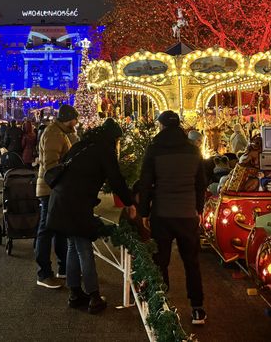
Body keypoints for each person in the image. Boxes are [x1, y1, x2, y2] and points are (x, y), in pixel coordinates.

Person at [48, 118, 135, 313]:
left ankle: (75, 293)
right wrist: (130, 202)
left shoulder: (81, 146)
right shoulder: (105, 151)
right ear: (113, 138)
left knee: (73, 245)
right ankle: (94, 297)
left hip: (60, 201)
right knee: (84, 248)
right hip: (76, 204)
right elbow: (116, 180)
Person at [138, 110, 207, 325]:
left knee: (161, 261)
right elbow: (201, 183)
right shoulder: (192, 150)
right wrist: (198, 208)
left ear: (161, 126)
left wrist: (143, 212)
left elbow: (145, 183)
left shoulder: (155, 149)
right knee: (192, 262)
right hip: (187, 214)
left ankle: (163, 305)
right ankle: (197, 308)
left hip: (162, 212)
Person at [34, 104, 78, 289]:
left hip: (56, 188)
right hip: (50, 189)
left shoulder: (61, 133)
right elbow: (51, 165)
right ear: (68, 119)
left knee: (58, 229)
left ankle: (63, 267)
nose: (76, 123)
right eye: (75, 119)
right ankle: (44, 273)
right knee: (46, 230)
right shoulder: (54, 134)